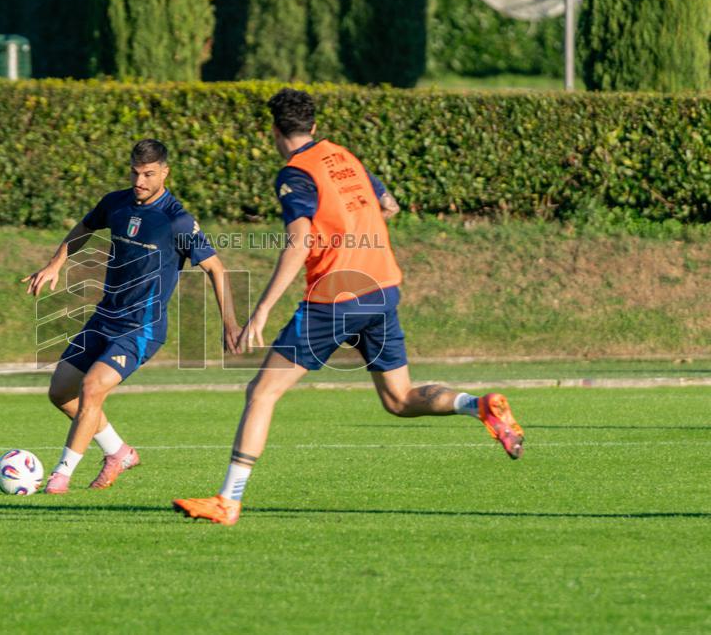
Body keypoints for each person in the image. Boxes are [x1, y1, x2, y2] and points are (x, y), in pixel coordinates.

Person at [173, 89, 524, 525]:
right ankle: (479, 405)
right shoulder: (344, 157)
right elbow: (388, 205)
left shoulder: (295, 174)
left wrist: (261, 310)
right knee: (398, 398)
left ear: (275, 131)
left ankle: (228, 499)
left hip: (335, 298)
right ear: (314, 127)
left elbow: (300, 242)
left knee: (262, 392)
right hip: (380, 287)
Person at [24, 138, 240, 494]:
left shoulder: (178, 221)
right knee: (61, 392)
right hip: (104, 318)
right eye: (135, 173)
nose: (139, 181)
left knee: (92, 389)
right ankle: (118, 452)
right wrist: (56, 263)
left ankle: (60, 476)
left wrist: (229, 323)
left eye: (148, 174)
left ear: (164, 173)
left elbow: (217, 270)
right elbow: (84, 228)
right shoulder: (116, 203)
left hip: (141, 328)